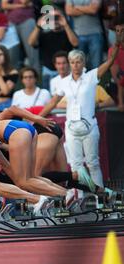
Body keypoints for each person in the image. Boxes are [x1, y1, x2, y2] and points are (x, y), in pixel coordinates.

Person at [40, 45, 121, 189]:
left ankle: (100, 198)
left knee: (93, 163)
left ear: (84, 62)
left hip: (90, 126)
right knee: (76, 166)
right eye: (72, 62)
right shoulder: (63, 82)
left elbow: (109, 62)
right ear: (69, 63)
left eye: (78, 61)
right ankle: (79, 196)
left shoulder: (91, 76)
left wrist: (118, 42)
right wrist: (37, 117)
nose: (75, 65)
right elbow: (53, 102)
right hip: (71, 128)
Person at [28, 9, 78, 90]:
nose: (55, 20)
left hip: (66, 71)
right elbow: (31, 42)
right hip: (48, 71)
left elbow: (75, 43)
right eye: (52, 18)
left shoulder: (68, 32)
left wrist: (65, 25)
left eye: (57, 17)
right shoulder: (44, 33)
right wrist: (38, 26)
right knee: (49, 98)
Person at [65, 0, 103, 70]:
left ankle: (95, 81)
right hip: (77, 35)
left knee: (96, 66)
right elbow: (69, 11)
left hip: (95, 34)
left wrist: (76, 7)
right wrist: (87, 8)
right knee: (78, 66)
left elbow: (93, 10)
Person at [0, 0, 38, 69]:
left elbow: (24, 1)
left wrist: (15, 5)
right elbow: (4, 5)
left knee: (32, 53)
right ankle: (13, 77)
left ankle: (37, 78)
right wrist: (21, 6)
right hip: (11, 21)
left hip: (27, 20)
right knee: (12, 55)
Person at [110, 18, 124, 111]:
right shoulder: (112, 51)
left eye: (123, 30)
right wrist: (121, 103)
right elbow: (118, 79)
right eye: (117, 31)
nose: (119, 33)